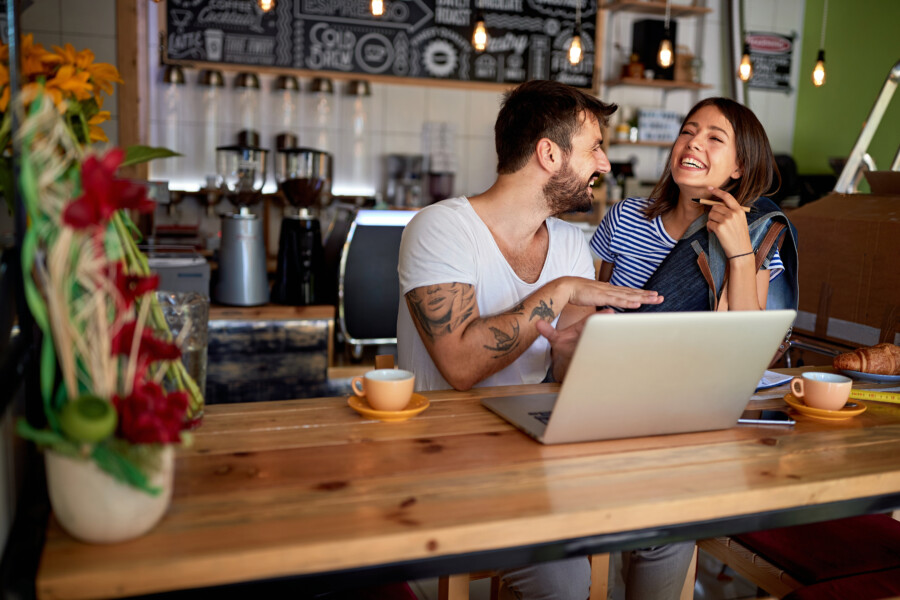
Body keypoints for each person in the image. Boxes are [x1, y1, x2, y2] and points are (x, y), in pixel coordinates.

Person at [397, 79, 693, 600]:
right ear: (549, 154)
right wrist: (561, 291)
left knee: (670, 527)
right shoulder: (440, 228)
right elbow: (462, 365)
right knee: (562, 580)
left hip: (537, 456)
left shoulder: (570, 244)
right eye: (595, 147)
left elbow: (568, 366)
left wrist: (594, 352)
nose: (604, 163)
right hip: (444, 466)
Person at [590, 97, 798, 314]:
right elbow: (599, 308)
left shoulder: (753, 235)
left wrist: (741, 255)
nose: (693, 142)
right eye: (687, 132)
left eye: (715, 138)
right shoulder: (624, 217)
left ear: (740, 166)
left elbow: (751, 339)